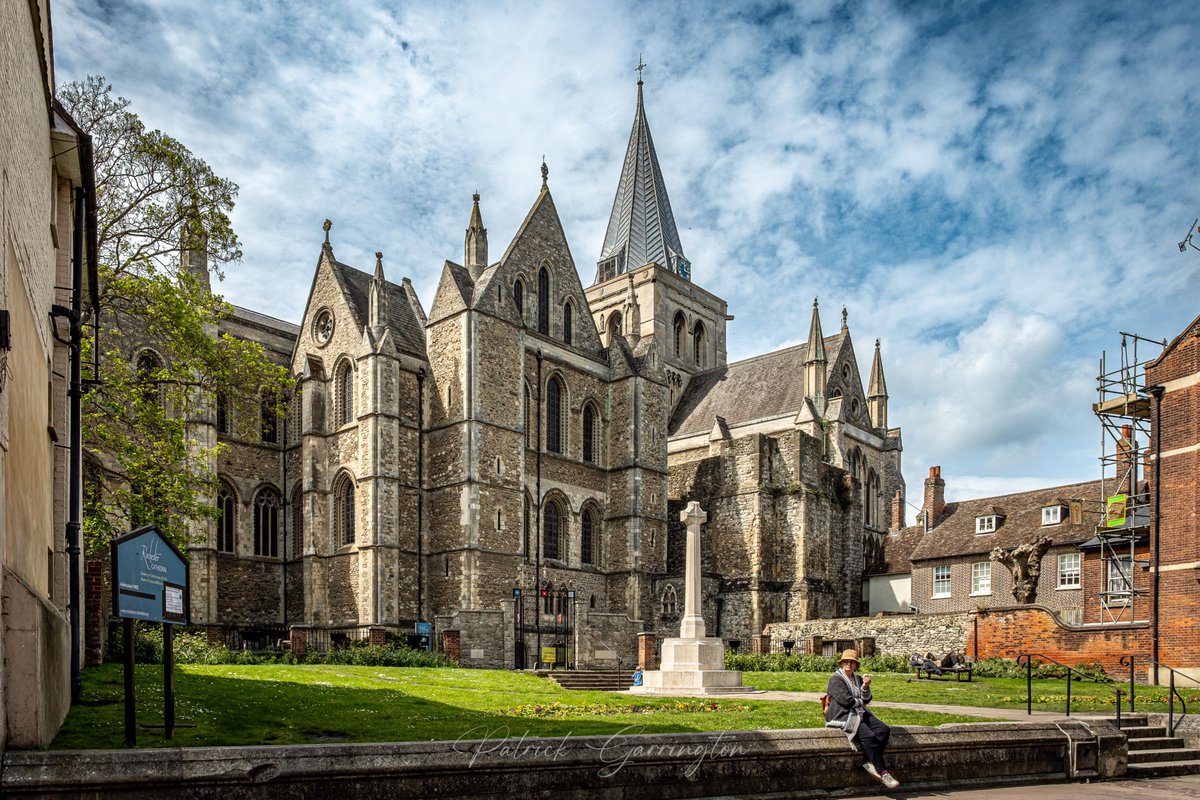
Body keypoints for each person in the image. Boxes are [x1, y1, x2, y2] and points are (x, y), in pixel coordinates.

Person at [825, 649, 899, 790]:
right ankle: (883, 772)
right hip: (842, 714)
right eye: (846, 661)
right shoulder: (835, 679)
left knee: (883, 730)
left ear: (855, 665)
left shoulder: (858, 678)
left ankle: (871, 763)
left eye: (852, 662)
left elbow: (867, 699)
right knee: (869, 736)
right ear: (841, 664)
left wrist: (865, 687)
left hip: (859, 711)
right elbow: (846, 701)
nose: (849, 664)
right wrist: (861, 702)